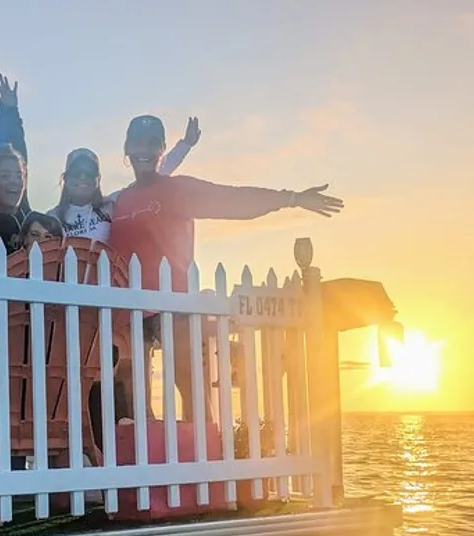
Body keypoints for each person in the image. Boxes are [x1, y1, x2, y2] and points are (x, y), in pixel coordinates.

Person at [110, 114, 343, 420]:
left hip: (176, 306)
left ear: (162, 148)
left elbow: (231, 199)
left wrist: (291, 198)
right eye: (137, 142)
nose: (144, 149)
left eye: (152, 143)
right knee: (134, 398)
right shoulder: (118, 202)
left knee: (190, 388)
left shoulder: (178, 189)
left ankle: (204, 459)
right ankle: (147, 460)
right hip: (129, 311)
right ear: (126, 148)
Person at [49, 117, 202, 242]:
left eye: (89, 172)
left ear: (98, 179)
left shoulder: (112, 204)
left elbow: (155, 174)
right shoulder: (51, 218)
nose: (83, 177)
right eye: (77, 172)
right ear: (65, 177)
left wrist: (185, 144)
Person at [0, 74, 60, 251]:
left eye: (19, 176)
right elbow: (0, 147)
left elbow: (17, 150)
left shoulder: (29, 218)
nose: (14, 182)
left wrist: (11, 111)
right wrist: (5, 111)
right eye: (5, 175)